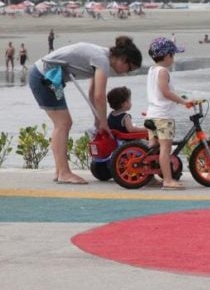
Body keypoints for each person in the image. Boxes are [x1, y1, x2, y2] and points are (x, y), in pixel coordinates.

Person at [28, 37, 142, 184]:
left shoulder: (102, 56)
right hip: (44, 77)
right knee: (63, 123)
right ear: (123, 59)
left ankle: (59, 171)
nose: (126, 73)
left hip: (49, 78)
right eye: (129, 68)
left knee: (62, 124)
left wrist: (98, 120)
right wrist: (104, 123)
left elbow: (92, 93)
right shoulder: (102, 60)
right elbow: (99, 96)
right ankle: (64, 173)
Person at [145, 37, 195, 190]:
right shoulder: (163, 72)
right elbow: (166, 92)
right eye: (173, 55)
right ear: (167, 56)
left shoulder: (152, 70)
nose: (173, 59)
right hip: (163, 116)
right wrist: (183, 101)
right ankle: (167, 180)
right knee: (165, 149)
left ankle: (149, 177)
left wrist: (180, 98)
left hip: (152, 114)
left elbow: (157, 92)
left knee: (153, 149)